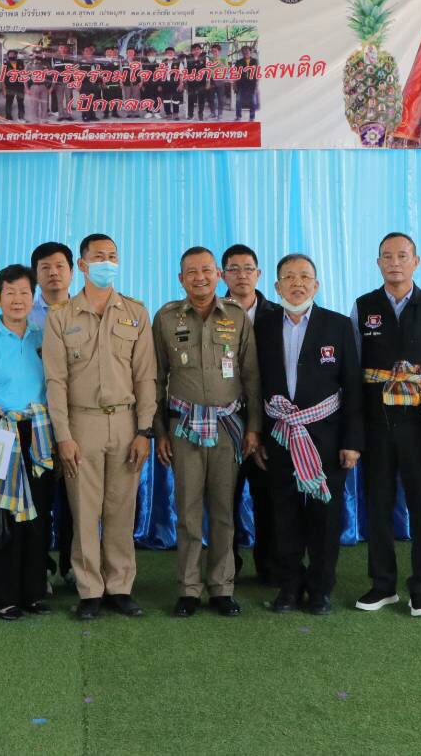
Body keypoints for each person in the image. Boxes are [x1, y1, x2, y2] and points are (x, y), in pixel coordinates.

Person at [42, 233, 157, 620]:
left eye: (112, 256)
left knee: (122, 511)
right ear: (83, 265)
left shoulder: (135, 313)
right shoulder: (61, 316)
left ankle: (120, 587)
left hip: (125, 423)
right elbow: (55, 381)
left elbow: (145, 377)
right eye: (98, 257)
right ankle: (89, 589)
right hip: (82, 423)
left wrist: (144, 431)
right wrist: (63, 436)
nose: (106, 263)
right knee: (85, 512)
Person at [350, 232, 421, 618]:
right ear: (378, 263)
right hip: (377, 421)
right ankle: (383, 584)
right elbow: (354, 370)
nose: (394, 262)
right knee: (379, 502)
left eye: (402, 256)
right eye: (387, 256)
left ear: (416, 262)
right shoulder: (364, 306)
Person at [153, 247, 262, 617]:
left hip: (228, 427)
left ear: (217, 274)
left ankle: (221, 588)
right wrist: (159, 431)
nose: (199, 277)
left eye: (206, 270)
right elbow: (156, 378)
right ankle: (188, 589)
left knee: (223, 510)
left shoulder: (236, 316)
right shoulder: (166, 318)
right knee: (186, 510)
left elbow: (251, 376)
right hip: (183, 427)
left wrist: (254, 428)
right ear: (180, 278)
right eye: (191, 272)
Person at [256, 253, 362, 614]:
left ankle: (320, 589)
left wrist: (351, 442)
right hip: (280, 435)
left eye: (304, 276)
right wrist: (258, 435)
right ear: (276, 286)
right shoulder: (263, 326)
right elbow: (255, 384)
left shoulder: (338, 325)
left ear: (316, 285)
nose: (297, 283)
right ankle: (289, 586)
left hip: (327, 439)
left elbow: (352, 386)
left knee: (324, 517)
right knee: (284, 516)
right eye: (289, 277)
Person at [0, 264, 56, 620]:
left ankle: (33, 593)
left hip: (38, 436)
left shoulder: (42, 338)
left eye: (24, 293)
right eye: (10, 293)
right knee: (2, 518)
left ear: (33, 298)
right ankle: (1, 597)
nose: (18, 300)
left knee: (38, 516)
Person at [222, 243, 281, 585]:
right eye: (234, 269)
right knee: (223, 499)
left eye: (248, 268)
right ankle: (226, 567)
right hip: (222, 421)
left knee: (268, 498)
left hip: (269, 423)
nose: (241, 275)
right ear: (223, 275)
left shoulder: (279, 315)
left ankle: (270, 566)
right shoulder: (210, 312)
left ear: (259, 274)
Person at [29, 240, 76, 583]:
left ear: (72, 271)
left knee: (77, 501)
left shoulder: (87, 312)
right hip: (37, 421)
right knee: (40, 499)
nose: (53, 273)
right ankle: (41, 567)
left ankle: (74, 565)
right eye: (45, 268)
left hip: (79, 417)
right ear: (35, 275)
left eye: (60, 266)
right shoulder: (23, 316)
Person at [234, 45, 259, 121]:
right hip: (241, 84)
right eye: (243, 51)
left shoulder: (255, 61)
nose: (245, 52)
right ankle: (238, 116)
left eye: (247, 51)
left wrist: (257, 85)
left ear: (250, 51)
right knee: (238, 101)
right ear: (242, 53)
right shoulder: (239, 62)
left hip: (252, 84)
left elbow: (257, 73)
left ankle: (252, 117)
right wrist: (234, 84)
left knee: (253, 101)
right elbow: (235, 74)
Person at [2, 49, 28, 121]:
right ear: (8, 56)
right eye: (10, 54)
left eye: (13, 54)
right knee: (9, 102)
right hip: (9, 87)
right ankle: (8, 117)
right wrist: (4, 89)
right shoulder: (5, 65)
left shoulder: (21, 63)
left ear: (16, 55)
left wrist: (26, 87)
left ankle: (21, 117)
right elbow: (2, 78)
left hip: (20, 86)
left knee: (21, 102)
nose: (12, 56)